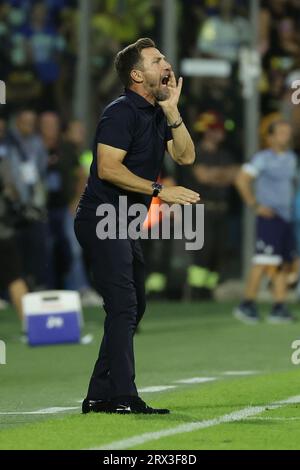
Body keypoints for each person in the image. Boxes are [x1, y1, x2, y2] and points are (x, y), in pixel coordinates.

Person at [74, 38, 199, 415]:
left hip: (124, 223)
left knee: (133, 305)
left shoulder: (158, 112)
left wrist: (173, 111)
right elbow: (109, 169)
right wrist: (162, 190)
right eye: (157, 59)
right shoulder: (120, 112)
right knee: (125, 305)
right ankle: (124, 397)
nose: (167, 64)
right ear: (136, 74)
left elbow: (186, 155)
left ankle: (98, 395)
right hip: (101, 216)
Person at [234, 120, 297, 324]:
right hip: (269, 217)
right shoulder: (262, 158)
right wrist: (255, 205)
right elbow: (241, 180)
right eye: (280, 132)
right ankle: (247, 304)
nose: (285, 136)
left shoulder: (291, 158)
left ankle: (278, 307)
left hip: (286, 218)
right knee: (263, 261)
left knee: (280, 263)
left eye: (287, 132)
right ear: (270, 137)